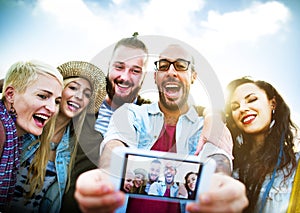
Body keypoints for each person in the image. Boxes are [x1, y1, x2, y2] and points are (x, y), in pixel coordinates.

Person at [75, 43, 241, 213]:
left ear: (193, 76)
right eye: (163, 66)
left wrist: (219, 181)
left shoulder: (203, 126)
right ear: (155, 76)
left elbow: (217, 156)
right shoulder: (130, 113)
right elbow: (115, 145)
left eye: (181, 65)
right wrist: (108, 173)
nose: (171, 72)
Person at [60, 34, 151, 213]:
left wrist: (213, 115)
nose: (125, 77)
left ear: (143, 77)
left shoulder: (150, 115)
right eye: (119, 67)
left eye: (135, 70)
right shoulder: (83, 105)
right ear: (109, 66)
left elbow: (195, 113)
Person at [9, 61, 106, 213]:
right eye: (73, 88)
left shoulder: (74, 146)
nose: (79, 96)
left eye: (87, 94)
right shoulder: (27, 126)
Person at [225, 77, 300, 213]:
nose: (243, 108)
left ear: (273, 104)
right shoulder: (230, 165)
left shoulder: (296, 165)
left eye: (252, 99)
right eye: (235, 107)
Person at [0, 60, 63, 211]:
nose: (52, 109)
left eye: (56, 101)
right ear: (10, 94)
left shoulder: (15, 136)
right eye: (42, 96)